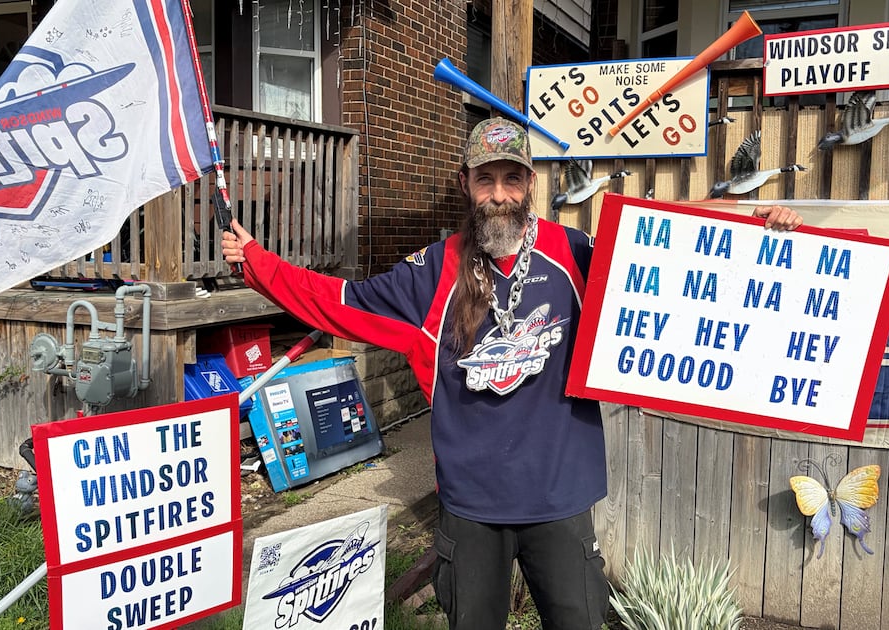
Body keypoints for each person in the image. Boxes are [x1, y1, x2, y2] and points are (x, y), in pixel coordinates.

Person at [221, 117, 803, 629]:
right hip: (472, 507)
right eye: (485, 180)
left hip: (560, 497)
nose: (499, 195)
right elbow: (339, 300)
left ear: (529, 186)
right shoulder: (432, 273)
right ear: (466, 186)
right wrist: (258, 263)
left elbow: (677, 260)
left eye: (512, 179)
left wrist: (755, 229)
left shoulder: (575, 253)